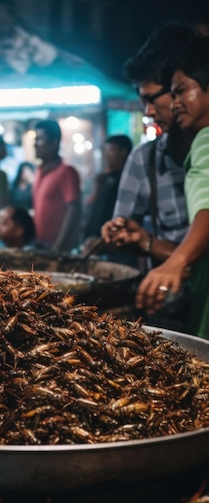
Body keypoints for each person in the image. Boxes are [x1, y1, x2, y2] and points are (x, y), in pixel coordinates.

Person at [100, 23, 198, 331]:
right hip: (172, 313)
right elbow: (126, 229)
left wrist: (160, 250)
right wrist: (124, 234)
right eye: (142, 100)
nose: (148, 111)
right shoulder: (144, 160)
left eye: (155, 98)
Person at [135, 35, 209, 340]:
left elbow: (207, 207)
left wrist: (176, 261)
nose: (175, 103)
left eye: (182, 92)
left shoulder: (205, 141)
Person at [33, 119, 81, 251]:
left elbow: (73, 210)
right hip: (40, 245)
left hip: (58, 249)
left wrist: (58, 247)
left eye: (40, 139)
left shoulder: (66, 172)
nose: (35, 145)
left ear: (54, 143)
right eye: (35, 139)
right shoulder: (39, 171)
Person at [84, 134, 132, 240]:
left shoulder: (129, 180)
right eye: (106, 151)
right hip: (96, 237)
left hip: (112, 242)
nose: (106, 155)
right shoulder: (105, 178)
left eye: (111, 150)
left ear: (123, 152)